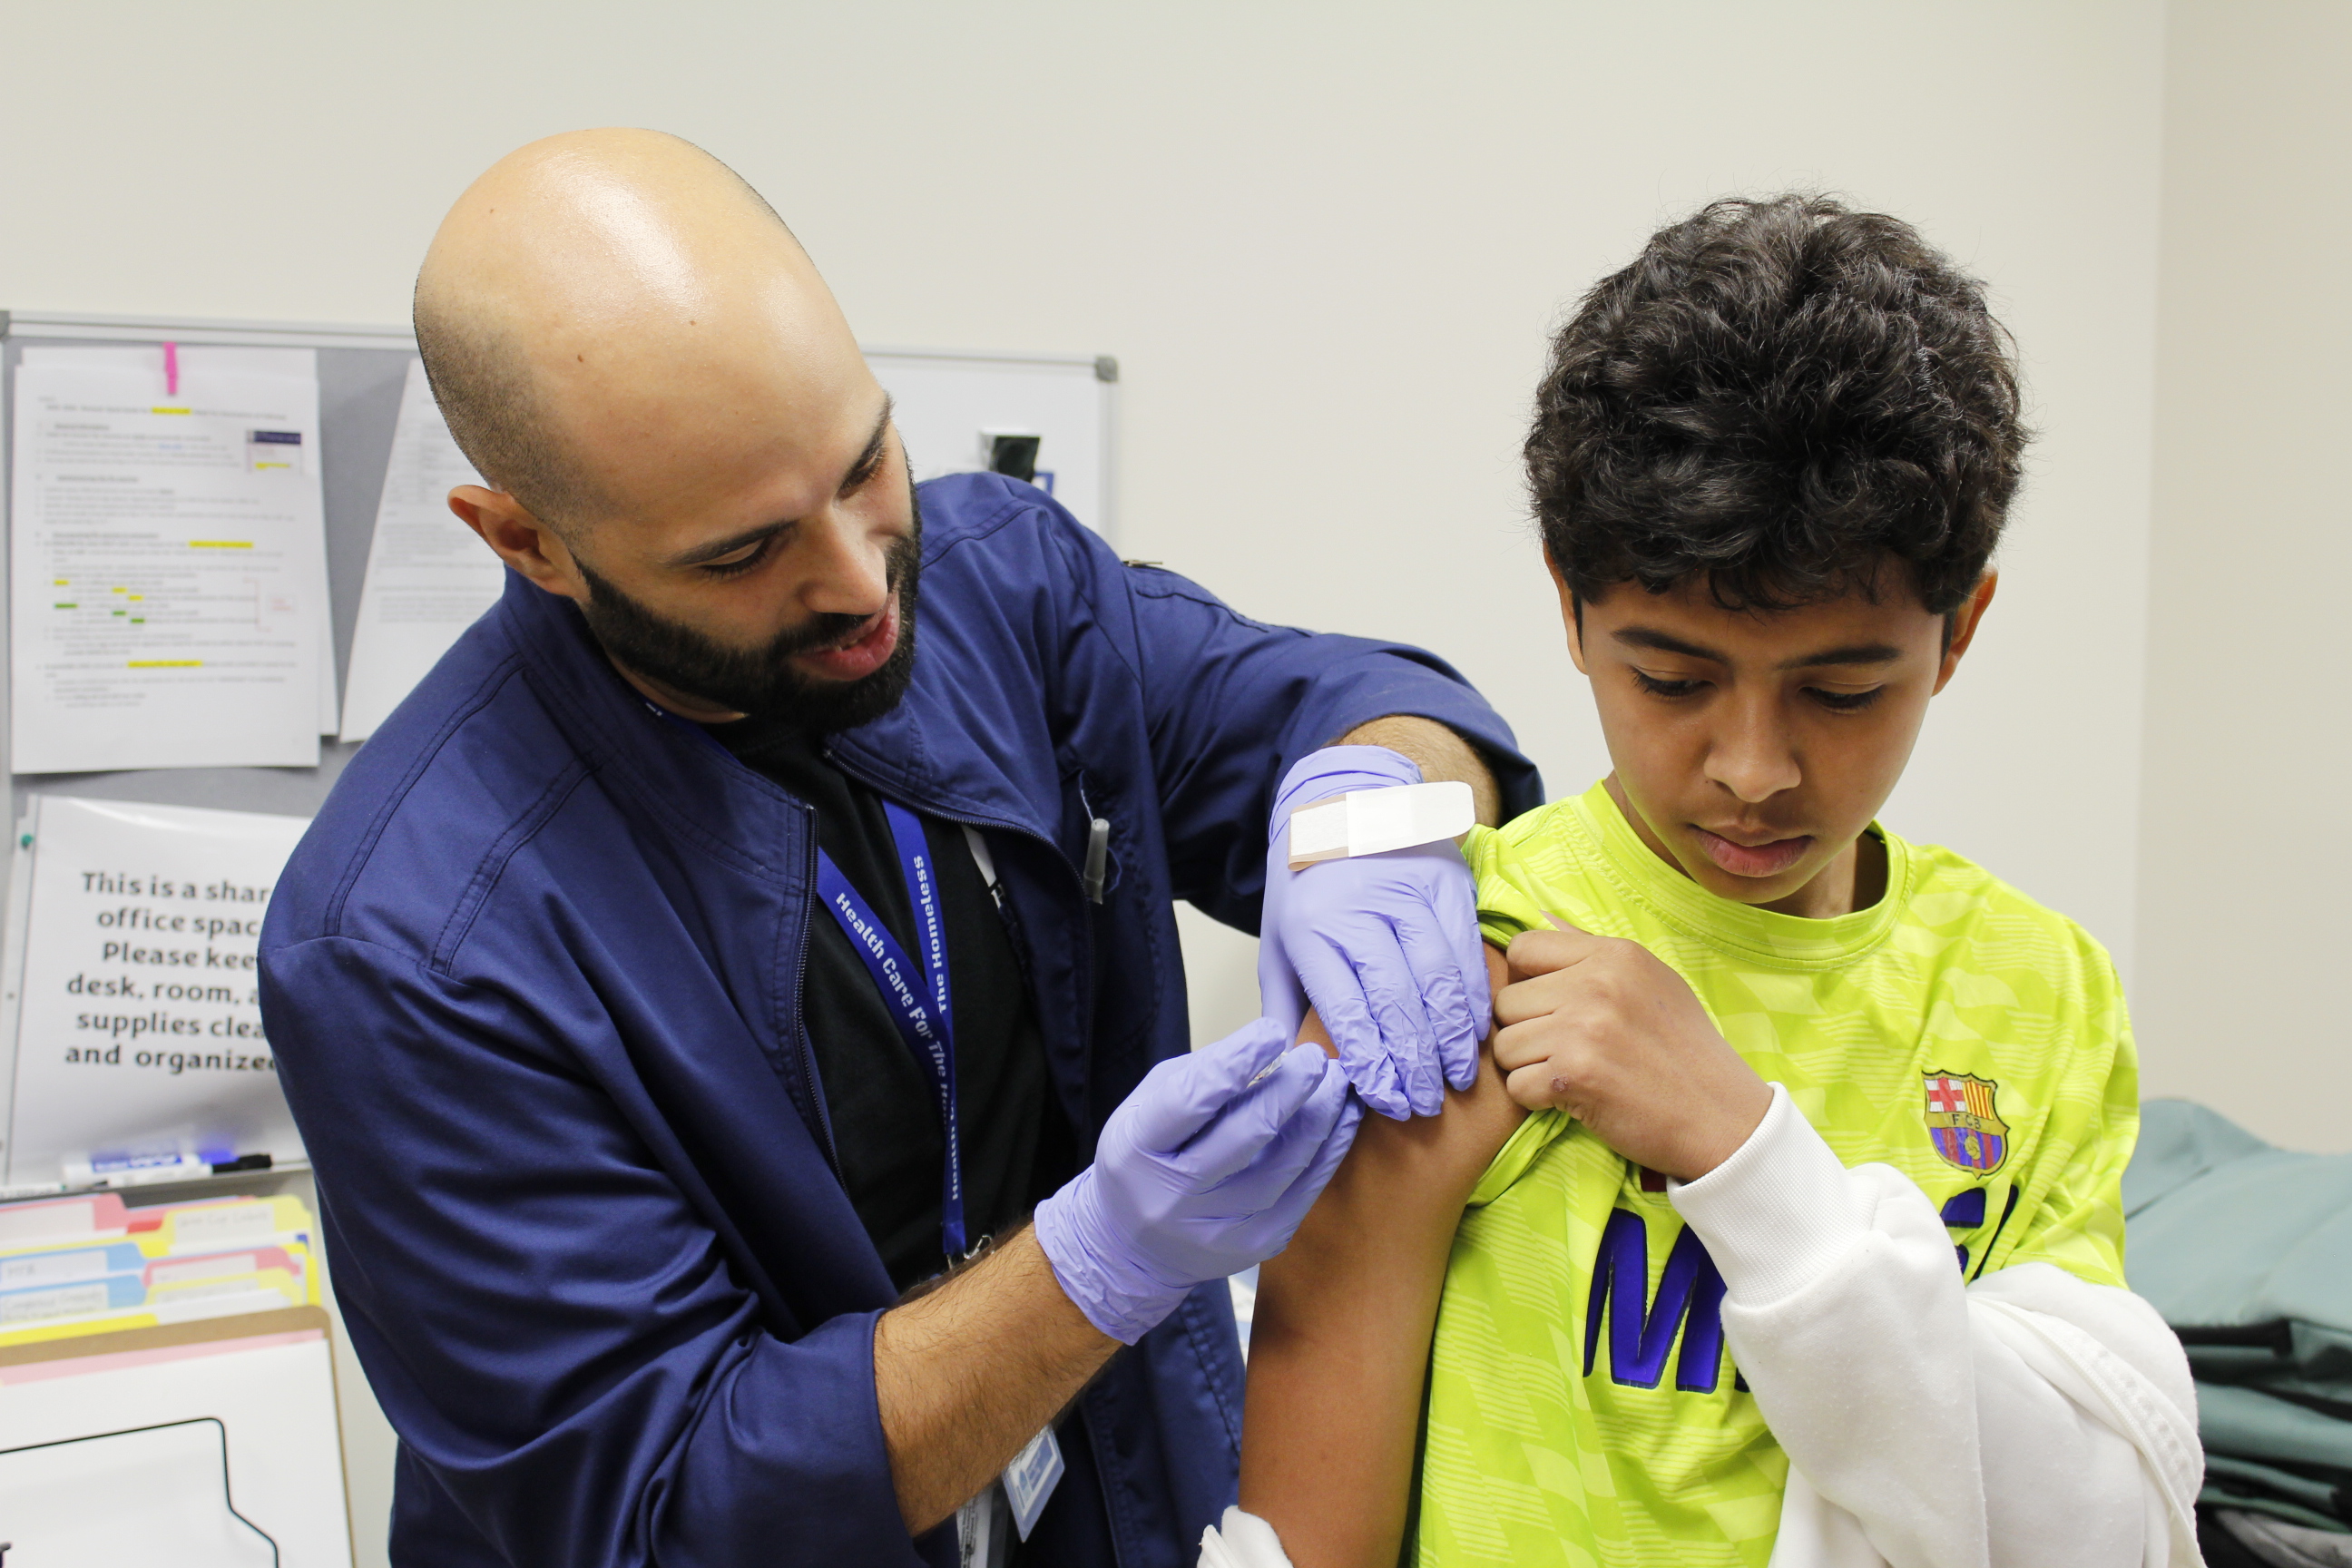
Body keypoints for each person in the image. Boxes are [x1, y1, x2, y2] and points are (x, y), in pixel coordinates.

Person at [254, 129, 1540, 1568]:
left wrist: (1375, 814)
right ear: (528, 542)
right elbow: (665, 1512)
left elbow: (1350, 702)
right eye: (742, 555)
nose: (863, 581)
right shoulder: (408, 944)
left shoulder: (1003, 582)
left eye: (866, 459)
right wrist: (1094, 1264)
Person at [1212, 197, 2203, 1567]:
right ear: (1568, 605)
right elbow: (1304, 1543)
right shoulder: (1458, 962)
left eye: (1843, 689)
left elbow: (2089, 1510)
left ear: (1959, 627)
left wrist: (1747, 1154)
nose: (1752, 769)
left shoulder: (2036, 995)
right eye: (1673, 679)